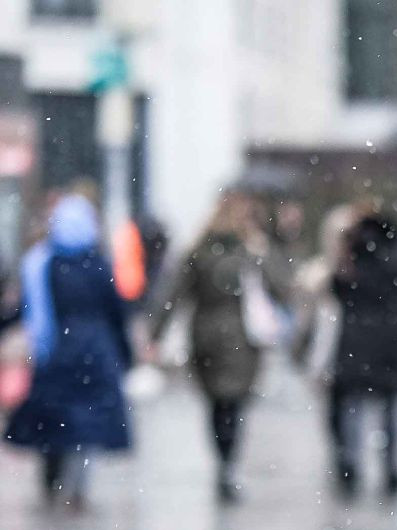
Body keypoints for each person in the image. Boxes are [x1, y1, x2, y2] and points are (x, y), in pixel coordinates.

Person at [150, 190, 290, 503]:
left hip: (206, 336)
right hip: (241, 340)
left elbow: (173, 296)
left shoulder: (200, 250)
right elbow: (283, 288)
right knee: (233, 405)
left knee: (218, 405)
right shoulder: (249, 251)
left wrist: (155, 334)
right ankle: (228, 464)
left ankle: (224, 462)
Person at [4, 195, 133, 508]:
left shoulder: (43, 264)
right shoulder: (98, 265)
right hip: (95, 354)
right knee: (86, 427)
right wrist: (124, 353)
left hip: (57, 352)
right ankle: (77, 487)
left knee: (53, 422)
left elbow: (24, 309)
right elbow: (116, 313)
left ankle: (52, 481)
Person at [330, 211, 397, 497]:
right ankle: (391, 467)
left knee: (353, 405)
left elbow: (336, 290)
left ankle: (351, 463)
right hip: (390, 342)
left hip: (355, 342)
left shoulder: (351, 264)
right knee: (391, 409)